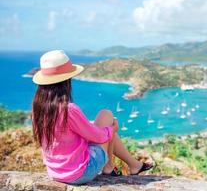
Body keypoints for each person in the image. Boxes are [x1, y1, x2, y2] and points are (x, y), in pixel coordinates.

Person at [31, 50, 153, 185]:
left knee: (104, 127)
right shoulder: (68, 109)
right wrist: (112, 129)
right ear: (66, 81)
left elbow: (63, 132)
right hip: (80, 173)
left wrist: (97, 127)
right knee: (106, 115)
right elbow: (99, 137)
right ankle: (111, 167)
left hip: (56, 172)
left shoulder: (38, 108)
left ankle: (131, 165)